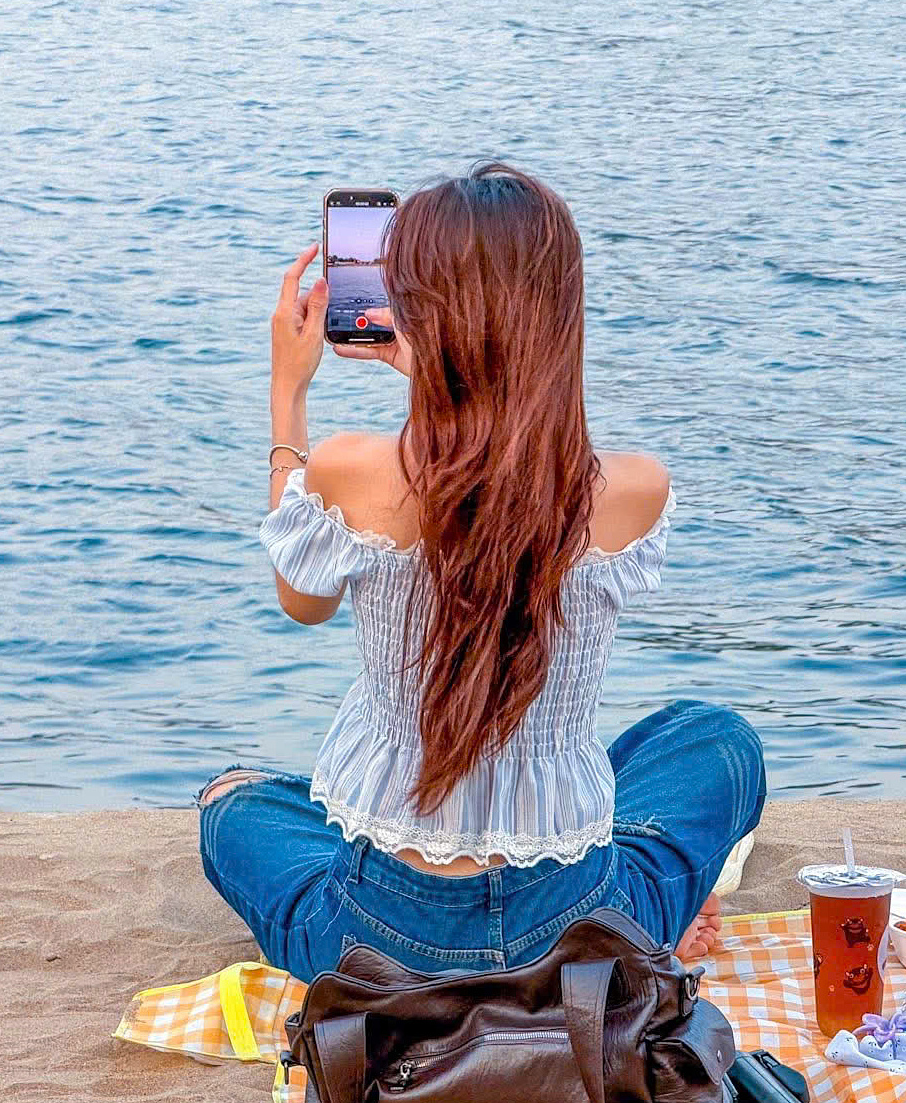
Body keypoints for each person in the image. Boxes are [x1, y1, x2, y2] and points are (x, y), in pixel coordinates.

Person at [196, 163, 763, 982]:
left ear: (423, 313)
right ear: (558, 314)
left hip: (380, 943)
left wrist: (290, 392)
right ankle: (654, 923)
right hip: (579, 931)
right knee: (715, 739)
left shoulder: (350, 468)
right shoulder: (634, 489)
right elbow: (500, 477)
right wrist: (443, 378)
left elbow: (303, 602)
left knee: (233, 800)